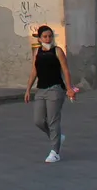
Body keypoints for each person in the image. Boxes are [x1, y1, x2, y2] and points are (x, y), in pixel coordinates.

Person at [23, 25, 75, 164]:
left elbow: (65, 70)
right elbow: (34, 71)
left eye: (50, 36)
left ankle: (55, 152)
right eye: (45, 36)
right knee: (38, 120)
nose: (48, 38)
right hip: (41, 90)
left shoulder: (57, 51)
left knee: (53, 120)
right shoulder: (37, 52)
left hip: (55, 89)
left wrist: (69, 88)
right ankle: (57, 137)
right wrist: (28, 89)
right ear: (39, 38)